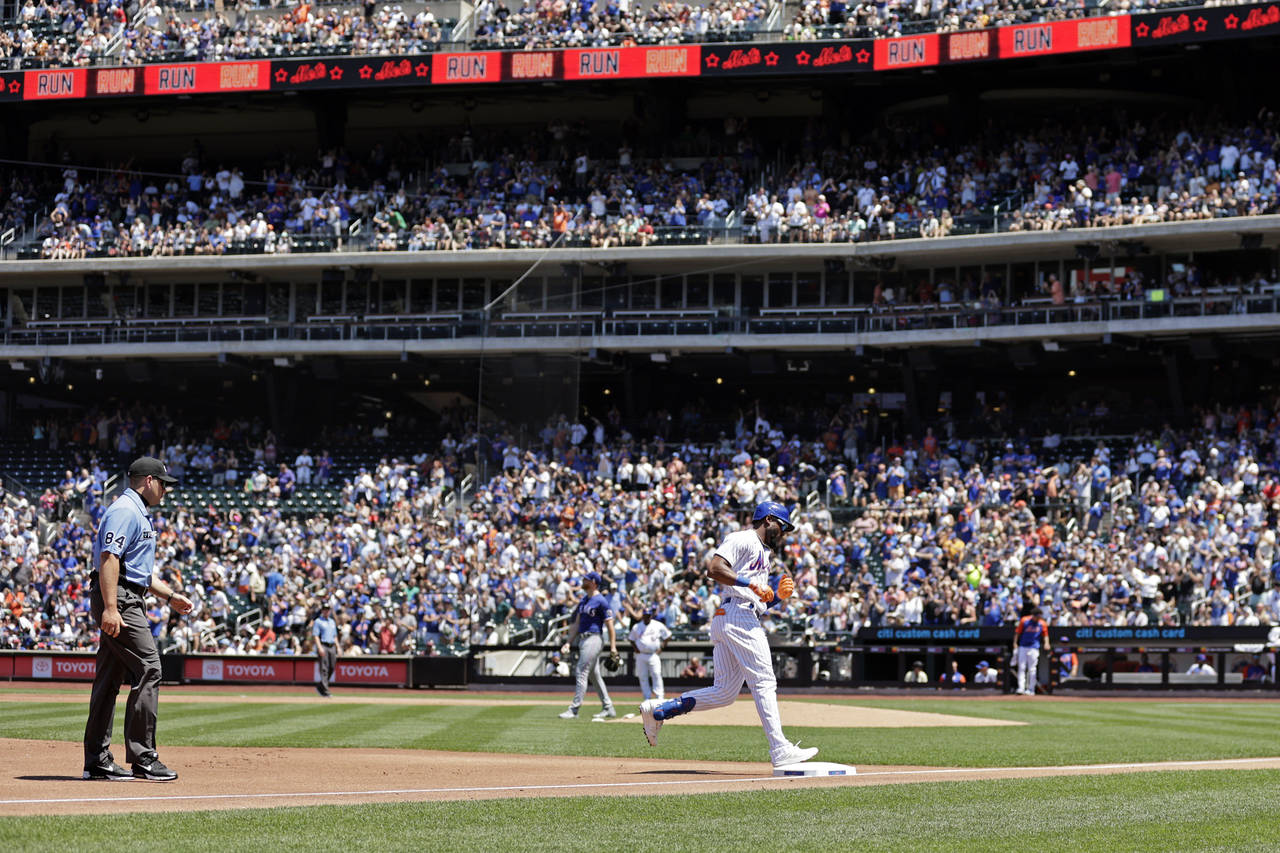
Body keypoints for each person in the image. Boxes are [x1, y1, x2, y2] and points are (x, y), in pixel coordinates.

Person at [639, 500, 818, 768]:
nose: (783, 532)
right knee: (764, 682)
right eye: (782, 525)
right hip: (737, 617)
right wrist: (752, 584)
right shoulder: (743, 538)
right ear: (768, 519)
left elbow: (755, 598)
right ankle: (779, 749)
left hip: (735, 616)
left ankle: (660, 709)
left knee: (724, 693)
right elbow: (714, 569)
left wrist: (778, 597)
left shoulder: (762, 553)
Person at [83, 456, 192, 782]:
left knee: (109, 679)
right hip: (120, 599)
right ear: (148, 481)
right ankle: (144, 758)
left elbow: (137, 572)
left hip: (126, 594)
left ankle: (97, 760)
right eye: (163, 484)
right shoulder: (125, 510)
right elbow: (109, 558)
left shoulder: (135, 512)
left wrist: (170, 596)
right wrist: (112, 608)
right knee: (150, 667)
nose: (166, 491)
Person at [558, 571, 618, 721]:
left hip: (594, 638)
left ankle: (574, 709)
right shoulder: (584, 600)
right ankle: (608, 707)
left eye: (585, 579)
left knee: (581, 671)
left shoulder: (601, 601)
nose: (583, 581)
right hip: (582, 639)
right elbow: (576, 624)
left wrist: (613, 647)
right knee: (594, 676)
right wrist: (568, 642)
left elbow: (610, 626)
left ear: (593, 582)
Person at [629, 605, 672, 701]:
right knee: (642, 676)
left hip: (653, 654)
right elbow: (631, 639)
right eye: (645, 615)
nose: (647, 617)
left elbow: (668, 636)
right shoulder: (637, 626)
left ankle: (660, 696)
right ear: (642, 616)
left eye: (648, 615)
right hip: (641, 655)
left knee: (656, 674)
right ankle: (647, 697)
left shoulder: (657, 625)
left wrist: (661, 648)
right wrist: (635, 648)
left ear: (651, 615)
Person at [1013, 604, 1050, 695]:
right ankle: (1021, 688)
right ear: (1033, 615)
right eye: (1037, 616)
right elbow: (1017, 632)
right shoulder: (1024, 620)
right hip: (1023, 646)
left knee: (1032, 669)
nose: (1039, 618)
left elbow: (1045, 635)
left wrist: (1046, 643)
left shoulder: (1042, 623)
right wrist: (1015, 643)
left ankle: (1031, 689)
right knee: (1021, 667)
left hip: (1034, 647)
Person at [312, 601, 338, 697]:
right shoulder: (318, 621)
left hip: (332, 646)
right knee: (324, 668)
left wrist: (338, 647)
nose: (326, 611)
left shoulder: (332, 622)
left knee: (332, 667)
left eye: (328, 610)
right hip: (323, 645)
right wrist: (319, 647)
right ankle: (326, 691)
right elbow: (316, 636)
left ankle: (320, 686)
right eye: (325, 610)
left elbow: (335, 636)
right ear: (322, 611)